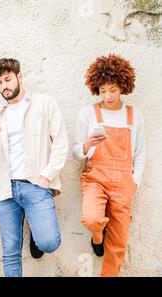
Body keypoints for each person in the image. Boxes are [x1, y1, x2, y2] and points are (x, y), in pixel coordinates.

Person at [0, 58, 69, 277]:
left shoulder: (45, 104)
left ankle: (35, 233)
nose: (4, 86)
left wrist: (48, 175)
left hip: (36, 185)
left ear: (19, 77)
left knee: (48, 242)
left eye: (7, 79)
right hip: (4, 189)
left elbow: (61, 143)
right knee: (10, 251)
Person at [73, 54, 145, 277]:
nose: (107, 96)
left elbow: (141, 153)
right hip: (96, 179)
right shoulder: (88, 113)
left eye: (112, 90)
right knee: (92, 219)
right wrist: (86, 145)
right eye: (102, 90)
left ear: (123, 86)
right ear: (96, 88)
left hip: (125, 183)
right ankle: (97, 237)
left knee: (118, 243)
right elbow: (76, 153)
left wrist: (134, 183)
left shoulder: (134, 115)